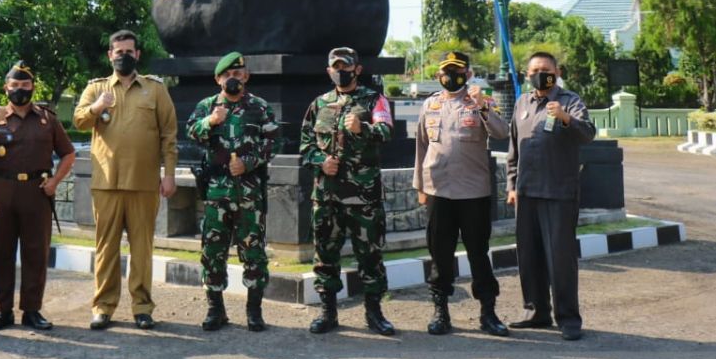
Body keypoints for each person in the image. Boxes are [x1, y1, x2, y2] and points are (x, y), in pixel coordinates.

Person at [73, 30, 178, 330]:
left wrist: (169, 175)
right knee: (106, 248)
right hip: (106, 183)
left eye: (129, 51)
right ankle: (103, 307)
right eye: (118, 52)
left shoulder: (155, 89)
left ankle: (142, 308)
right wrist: (97, 108)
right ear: (110, 55)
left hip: (144, 183)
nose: (123, 56)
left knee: (142, 248)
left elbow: (169, 134)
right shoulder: (96, 88)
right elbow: (78, 121)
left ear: (138, 55)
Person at [0, 60, 76, 332]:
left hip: (36, 192)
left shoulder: (46, 119)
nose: (20, 89)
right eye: (14, 85)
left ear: (33, 87)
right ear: (6, 88)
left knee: (35, 252)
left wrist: (55, 181)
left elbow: (68, 153)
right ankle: (2, 311)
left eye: (25, 85)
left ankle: (32, 310)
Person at [300, 47, 396, 336]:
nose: (340, 70)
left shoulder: (374, 100)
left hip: (363, 197)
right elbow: (305, 145)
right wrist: (320, 161)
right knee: (325, 256)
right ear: (329, 70)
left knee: (370, 256)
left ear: (357, 69)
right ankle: (328, 312)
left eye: (346, 66)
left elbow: (387, 131)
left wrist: (362, 128)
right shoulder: (319, 104)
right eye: (335, 66)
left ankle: (374, 313)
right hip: (327, 197)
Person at [413, 51, 510, 337]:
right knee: (440, 253)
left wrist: (482, 107)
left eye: (457, 71)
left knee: (478, 253)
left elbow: (503, 132)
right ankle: (440, 311)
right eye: (447, 70)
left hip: (473, 192)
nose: (451, 75)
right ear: (438, 74)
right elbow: (421, 146)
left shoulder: (481, 101)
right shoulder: (429, 104)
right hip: (438, 190)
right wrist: (420, 186)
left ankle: (488, 312)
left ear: (468, 74)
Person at [505, 51, 597, 341]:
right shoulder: (522, 102)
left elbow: (588, 133)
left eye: (545, 69)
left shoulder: (570, 100)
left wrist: (565, 118)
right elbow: (513, 148)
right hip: (526, 192)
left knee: (560, 258)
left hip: (558, 192)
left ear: (557, 72)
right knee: (529, 255)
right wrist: (511, 185)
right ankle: (537, 311)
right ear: (526, 74)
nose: (539, 74)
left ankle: (568, 318)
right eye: (534, 70)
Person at [186, 52, 279, 332]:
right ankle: (216, 309)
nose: (233, 79)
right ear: (218, 79)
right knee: (212, 252)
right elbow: (191, 132)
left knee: (254, 254)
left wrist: (249, 163)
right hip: (216, 196)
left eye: (238, 74)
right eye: (227, 75)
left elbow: (274, 142)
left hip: (250, 195)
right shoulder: (207, 106)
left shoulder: (259, 107)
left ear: (246, 77)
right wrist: (210, 122)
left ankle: (254, 310)